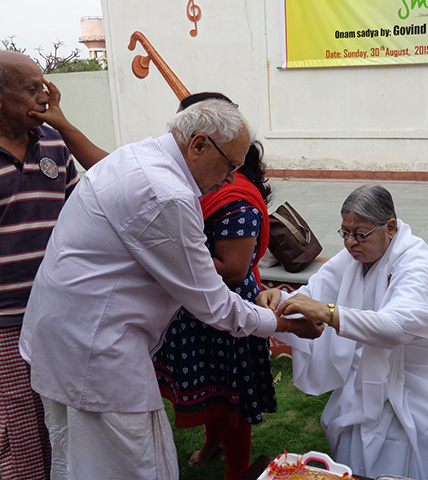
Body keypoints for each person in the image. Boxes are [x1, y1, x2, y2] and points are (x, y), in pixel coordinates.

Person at [18, 98, 323, 479]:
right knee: (129, 467)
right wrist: (287, 324)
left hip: (64, 339)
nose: (231, 179)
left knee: (78, 461)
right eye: (230, 166)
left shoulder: (138, 155)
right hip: (95, 353)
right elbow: (212, 304)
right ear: (198, 144)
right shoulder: (167, 193)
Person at [257, 184, 428, 480]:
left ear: (391, 228)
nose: (349, 243)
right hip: (379, 364)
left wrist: (328, 312)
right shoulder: (353, 256)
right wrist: (279, 300)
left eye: (360, 233)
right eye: (344, 232)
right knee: (355, 425)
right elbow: (314, 292)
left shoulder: (414, 260)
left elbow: (396, 327)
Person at [153, 92, 276, 480]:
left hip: (226, 309)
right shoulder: (188, 182)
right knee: (208, 387)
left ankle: (239, 466)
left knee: (228, 396)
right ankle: (213, 441)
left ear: (203, 142)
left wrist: (169, 257)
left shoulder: (234, 198)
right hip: (194, 305)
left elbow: (235, 270)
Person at [0, 50, 104, 479]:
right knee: (19, 425)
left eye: (43, 84)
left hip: (57, 312)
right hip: (6, 321)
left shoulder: (54, 142)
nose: (43, 95)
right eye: (30, 88)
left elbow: (83, 209)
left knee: (62, 418)